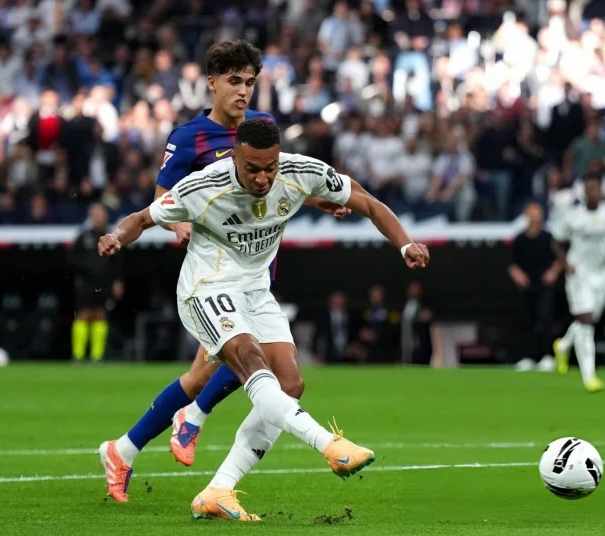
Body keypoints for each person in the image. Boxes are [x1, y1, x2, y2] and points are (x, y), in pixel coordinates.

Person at [98, 118, 430, 519]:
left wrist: (405, 244)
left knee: (290, 384)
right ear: (235, 158)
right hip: (207, 288)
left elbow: (366, 201)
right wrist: (115, 237)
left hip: (256, 290)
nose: (262, 178)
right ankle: (329, 444)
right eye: (252, 169)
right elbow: (140, 219)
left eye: (269, 168)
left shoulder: (299, 171)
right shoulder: (203, 187)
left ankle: (219, 489)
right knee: (249, 359)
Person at [98, 40, 349, 501]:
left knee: (212, 374)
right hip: (214, 274)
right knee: (239, 365)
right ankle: (181, 427)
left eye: (249, 82)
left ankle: (130, 447)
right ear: (211, 83)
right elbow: (163, 201)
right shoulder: (189, 137)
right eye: (234, 81)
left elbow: (279, 180)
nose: (243, 91)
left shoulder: (262, 128)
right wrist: (178, 227)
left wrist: (318, 200)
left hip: (258, 268)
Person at [552, 175, 605, 392]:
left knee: (589, 320)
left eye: (596, 189)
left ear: (601, 192)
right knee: (586, 321)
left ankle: (563, 345)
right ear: (585, 193)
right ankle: (589, 376)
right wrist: (565, 263)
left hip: (602, 273)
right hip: (579, 273)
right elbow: (557, 242)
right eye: (589, 189)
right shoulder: (572, 217)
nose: (593, 193)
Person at [508, 202, 561, 365]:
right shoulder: (519, 239)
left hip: (545, 285)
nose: (534, 216)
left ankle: (547, 356)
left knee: (545, 319)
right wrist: (518, 275)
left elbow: (560, 259)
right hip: (527, 286)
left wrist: (553, 272)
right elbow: (511, 263)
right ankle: (527, 357)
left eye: (537, 213)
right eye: (531, 213)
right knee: (526, 321)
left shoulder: (548, 238)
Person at [69, 203, 122, 362]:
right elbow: (72, 259)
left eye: (101, 215)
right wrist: (86, 270)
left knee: (100, 315)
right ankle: (78, 355)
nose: (99, 218)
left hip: (104, 283)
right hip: (86, 283)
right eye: (96, 215)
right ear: (91, 217)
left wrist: (118, 281)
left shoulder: (112, 236)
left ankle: (97, 356)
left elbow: (118, 262)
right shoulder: (83, 237)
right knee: (83, 315)